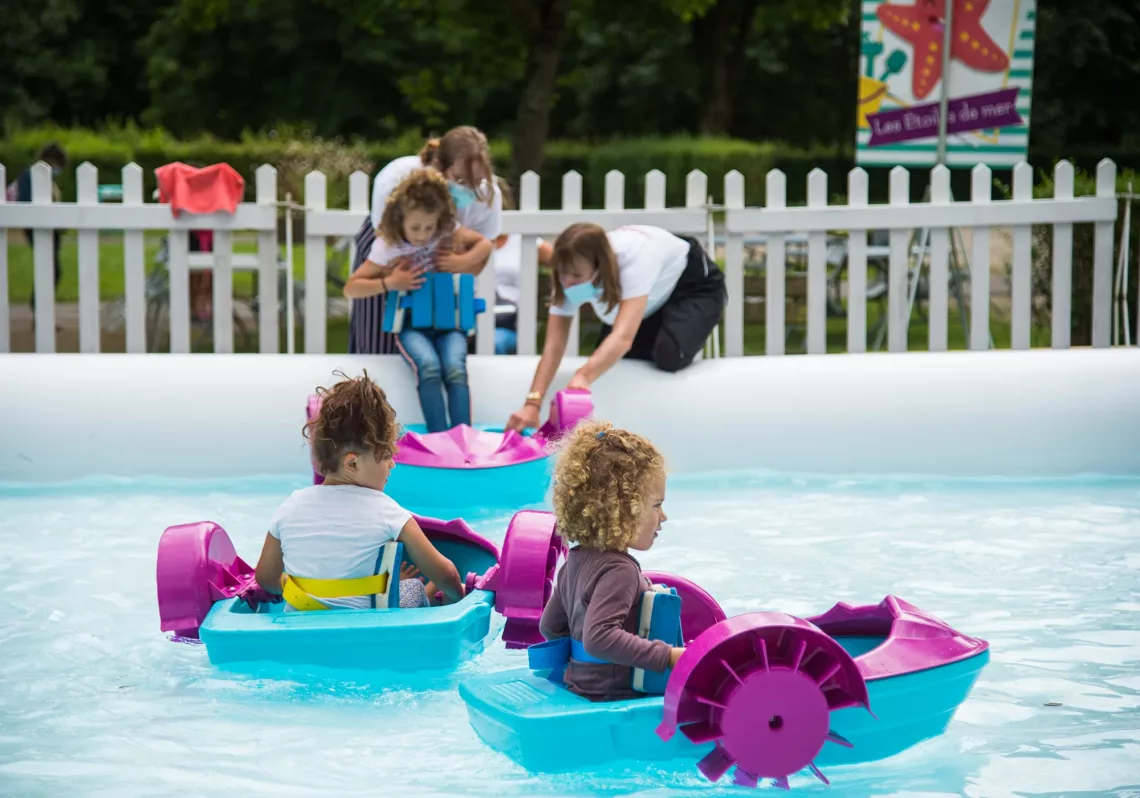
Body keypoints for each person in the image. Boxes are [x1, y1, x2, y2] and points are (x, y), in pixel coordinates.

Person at [253, 370, 465, 611]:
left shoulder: (291, 505)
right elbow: (446, 575)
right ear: (352, 464)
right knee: (413, 588)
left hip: (300, 629)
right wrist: (457, 598)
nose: (392, 464)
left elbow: (266, 579)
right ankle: (425, 591)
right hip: (367, 630)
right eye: (386, 456)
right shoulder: (387, 510)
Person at [505, 224, 726, 432]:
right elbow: (554, 345)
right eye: (562, 273)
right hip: (648, 298)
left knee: (668, 354)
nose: (567, 282)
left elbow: (622, 338)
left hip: (691, 285)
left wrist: (583, 375)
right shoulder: (569, 271)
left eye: (576, 276)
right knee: (609, 359)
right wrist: (532, 404)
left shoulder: (636, 261)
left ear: (600, 268)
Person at [538, 420, 684, 701]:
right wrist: (669, 656)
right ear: (621, 508)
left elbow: (550, 627)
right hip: (614, 695)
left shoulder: (575, 561)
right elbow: (600, 637)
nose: (663, 516)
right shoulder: (620, 571)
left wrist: (579, 669)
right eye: (656, 505)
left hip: (579, 688)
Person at [344, 169, 491, 432]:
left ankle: (462, 435)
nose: (422, 234)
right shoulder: (388, 245)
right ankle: (438, 436)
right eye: (415, 227)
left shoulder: (447, 232)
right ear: (400, 219)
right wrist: (391, 282)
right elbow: (351, 288)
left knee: (456, 368)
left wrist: (461, 262)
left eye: (428, 227)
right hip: (413, 327)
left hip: (450, 322)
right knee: (429, 366)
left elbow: (484, 244)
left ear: (439, 221)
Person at [348, 126, 503, 355]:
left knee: (438, 358)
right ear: (439, 164)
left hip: (440, 279)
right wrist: (393, 281)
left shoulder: (487, 197)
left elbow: (483, 251)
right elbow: (386, 245)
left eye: (477, 179)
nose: (470, 188)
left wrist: (462, 262)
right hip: (393, 258)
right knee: (378, 348)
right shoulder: (397, 179)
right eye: (460, 178)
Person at [10, 142, 68, 309]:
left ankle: (40, 308)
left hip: (49, 230)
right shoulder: (31, 176)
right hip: (38, 229)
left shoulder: (47, 179)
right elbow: (27, 204)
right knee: (51, 270)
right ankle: (38, 307)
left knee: (52, 269)